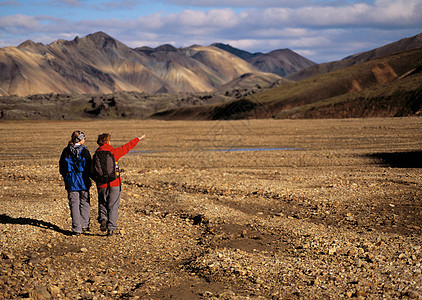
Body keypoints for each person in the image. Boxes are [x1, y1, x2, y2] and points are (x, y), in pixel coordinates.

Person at [94, 133, 146, 236]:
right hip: (115, 183)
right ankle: (111, 228)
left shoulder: (96, 154)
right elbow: (127, 147)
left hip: (101, 185)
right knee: (113, 205)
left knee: (102, 203)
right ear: (108, 142)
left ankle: (103, 219)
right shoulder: (114, 152)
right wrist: (138, 139)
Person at [59, 130, 92, 236]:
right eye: (84, 138)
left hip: (71, 181)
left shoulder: (66, 151)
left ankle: (77, 228)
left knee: (74, 204)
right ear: (80, 140)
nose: (84, 140)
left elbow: (62, 167)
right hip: (83, 180)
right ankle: (84, 224)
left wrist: (66, 177)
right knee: (85, 202)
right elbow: (89, 167)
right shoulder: (85, 151)